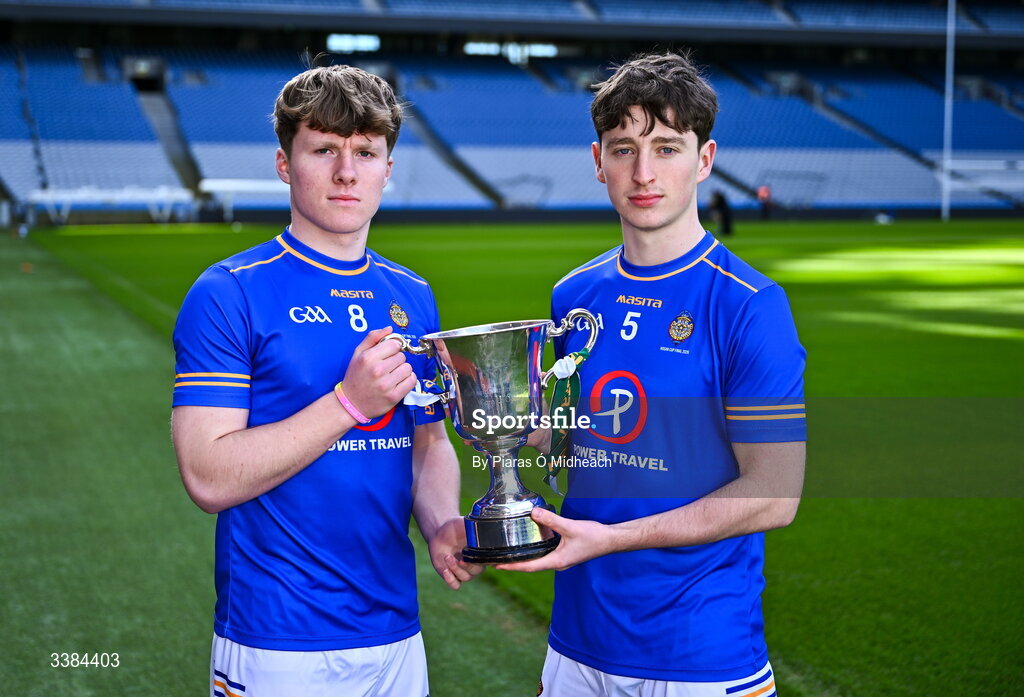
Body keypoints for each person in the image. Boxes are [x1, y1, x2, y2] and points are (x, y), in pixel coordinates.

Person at [501, 51, 807, 697]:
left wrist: (611, 538)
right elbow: (573, 435)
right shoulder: (573, 296)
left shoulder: (749, 306)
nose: (643, 172)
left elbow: (776, 493)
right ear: (597, 161)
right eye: (623, 149)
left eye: (667, 148)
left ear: (705, 158)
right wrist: (495, 420)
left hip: (701, 653)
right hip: (577, 644)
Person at [170, 64, 481, 697]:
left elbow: (428, 442)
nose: (347, 171)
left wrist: (442, 520)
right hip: (276, 639)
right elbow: (207, 475)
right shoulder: (230, 293)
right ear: (285, 163)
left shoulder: (412, 297)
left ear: (387, 169)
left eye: (366, 152)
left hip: (396, 637)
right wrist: (348, 401)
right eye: (324, 150)